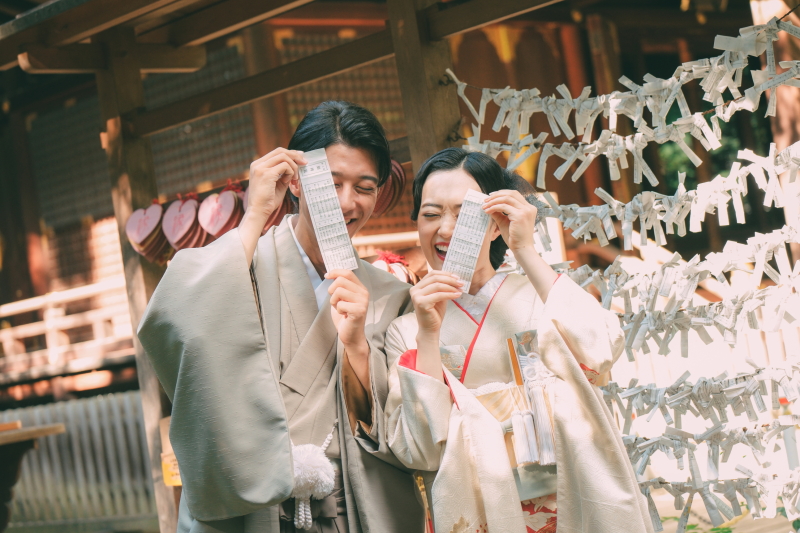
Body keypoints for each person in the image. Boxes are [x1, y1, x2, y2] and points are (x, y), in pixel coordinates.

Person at [137, 101, 423, 533]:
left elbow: (401, 428)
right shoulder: (241, 266)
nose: (348, 202)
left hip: (348, 510)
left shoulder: (388, 294)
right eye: (331, 182)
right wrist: (253, 214)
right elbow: (175, 325)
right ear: (295, 182)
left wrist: (358, 348)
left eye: (365, 187)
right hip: (249, 509)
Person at [382, 148, 654, 533]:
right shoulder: (407, 329)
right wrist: (428, 333)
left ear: (495, 224)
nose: (445, 229)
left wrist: (523, 249)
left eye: (463, 213)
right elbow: (420, 448)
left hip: (568, 499)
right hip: (476, 513)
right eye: (431, 214)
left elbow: (600, 351)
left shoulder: (540, 294)